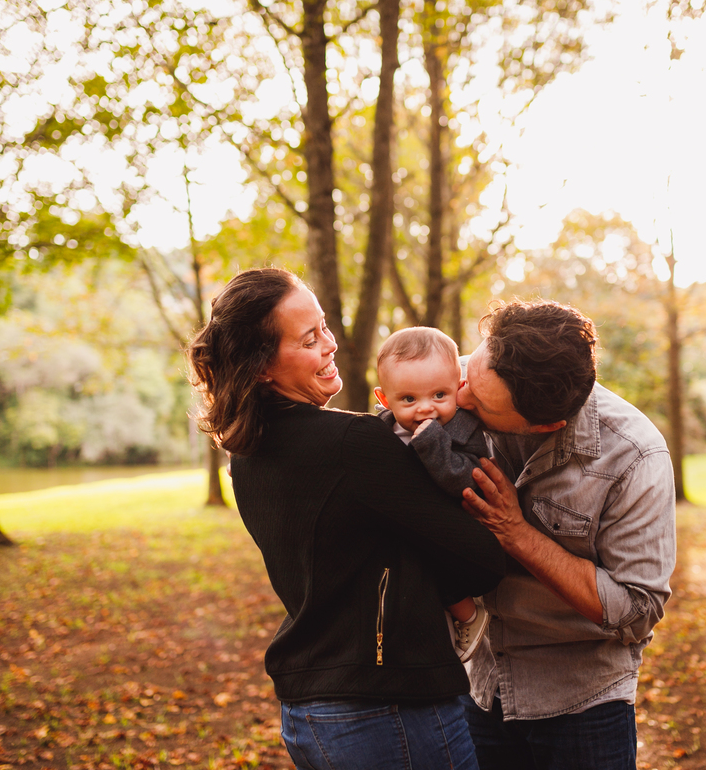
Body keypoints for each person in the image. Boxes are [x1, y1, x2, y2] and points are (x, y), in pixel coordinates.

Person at [186, 268, 506, 770]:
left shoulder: (247, 454)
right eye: (310, 339)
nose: (330, 345)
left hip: (310, 711)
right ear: (263, 366)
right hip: (388, 705)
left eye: (325, 327)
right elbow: (481, 559)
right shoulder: (352, 443)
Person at [453, 299, 677, 770]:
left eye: (482, 405)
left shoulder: (635, 457)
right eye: (470, 372)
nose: (459, 398)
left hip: (583, 703)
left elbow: (638, 609)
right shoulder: (457, 380)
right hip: (481, 687)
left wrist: (517, 533)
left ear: (545, 425)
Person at [373, 326, 492, 660]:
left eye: (439, 395)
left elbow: (466, 479)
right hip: (403, 521)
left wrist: (431, 443)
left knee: (433, 560)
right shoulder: (379, 429)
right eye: (409, 399)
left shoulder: (464, 430)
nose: (426, 408)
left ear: (459, 387)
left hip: (449, 524)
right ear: (385, 399)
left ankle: (467, 613)